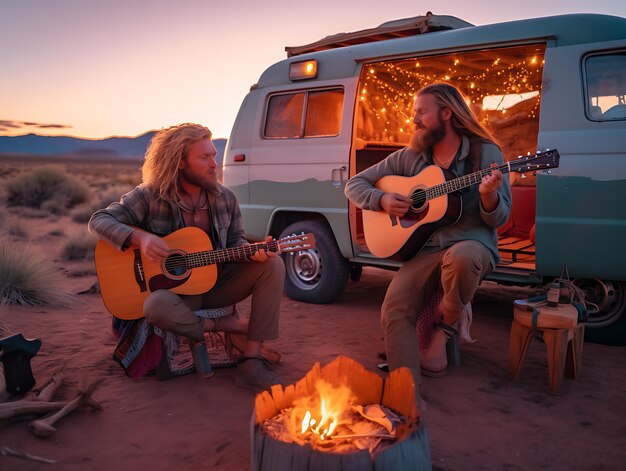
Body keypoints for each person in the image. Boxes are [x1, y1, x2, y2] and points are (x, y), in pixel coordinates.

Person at [89, 123, 285, 392]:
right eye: (204, 157)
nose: (214, 164)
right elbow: (99, 220)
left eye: (214, 155)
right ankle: (223, 325)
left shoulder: (225, 198)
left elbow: (235, 243)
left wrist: (254, 254)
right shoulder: (150, 196)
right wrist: (141, 239)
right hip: (175, 294)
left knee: (273, 265)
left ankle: (251, 362)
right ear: (180, 162)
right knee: (155, 306)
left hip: (217, 284)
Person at [345, 83, 511, 389]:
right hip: (425, 249)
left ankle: (440, 339)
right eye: (414, 112)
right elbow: (355, 184)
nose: (414, 119)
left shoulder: (485, 153)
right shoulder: (413, 156)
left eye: (421, 112)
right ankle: (405, 389)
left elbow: (501, 217)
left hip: (472, 244)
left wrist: (489, 196)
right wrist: (381, 200)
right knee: (395, 309)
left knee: (463, 257)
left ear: (447, 113)